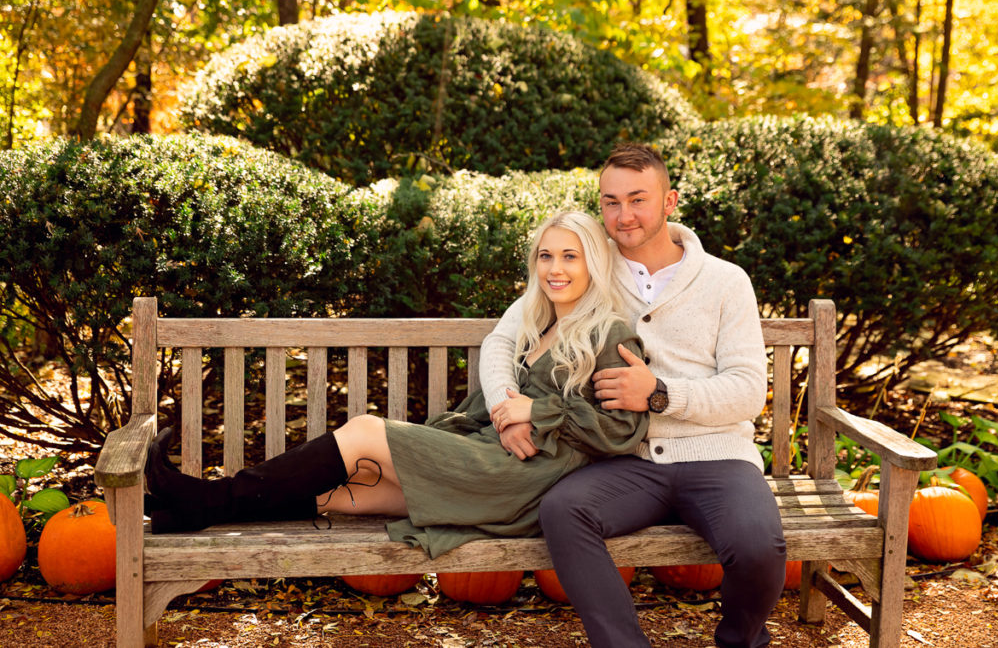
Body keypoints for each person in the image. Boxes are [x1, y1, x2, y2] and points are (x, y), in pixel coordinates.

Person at [144, 211, 650, 559]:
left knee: (366, 433)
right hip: (495, 453)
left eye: (570, 257)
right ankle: (198, 506)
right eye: (546, 256)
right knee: (350, 491)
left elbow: (621, 429)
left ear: (593, 264)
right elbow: (504, 374)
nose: (555, 269)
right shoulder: (540, 323)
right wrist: (502, 413)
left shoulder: (609, 332)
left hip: (526, 473)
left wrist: (536, 415)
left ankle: (198, 497)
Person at [481, 144, 786, 648]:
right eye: (611, 202)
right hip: (624, 460)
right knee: (563, 510)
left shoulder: (727, 282)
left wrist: (661, 394)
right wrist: (506, 409)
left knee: (760, 547)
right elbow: (502, 340)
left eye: (638, 199)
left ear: (670, 202)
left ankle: (740, 639)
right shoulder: (588, 270)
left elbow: (748, 390)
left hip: (716, 458)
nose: (623, 215)